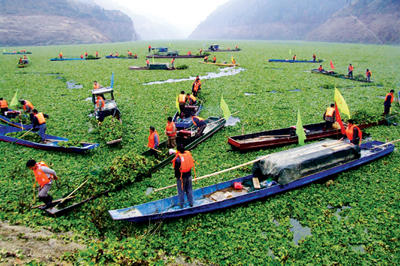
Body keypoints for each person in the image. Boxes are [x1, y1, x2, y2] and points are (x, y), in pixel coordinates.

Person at [172, 144, 194, 208]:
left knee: (181, 191)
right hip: (189, 176)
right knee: (189, 190)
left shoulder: (178, 159)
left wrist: (177, 177)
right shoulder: (188, 155)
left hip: (181, 178)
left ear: (178, 151)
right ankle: (191, 203)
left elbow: (176, 170)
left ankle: (181, 204)